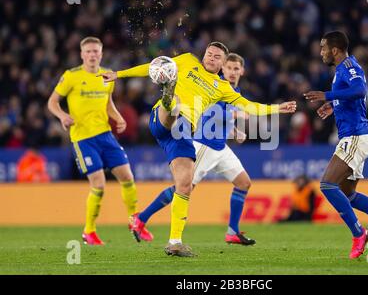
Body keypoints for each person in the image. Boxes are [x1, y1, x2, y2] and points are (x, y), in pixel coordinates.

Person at [99, 42, 297, 257]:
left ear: (222, 63)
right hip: (165, 121)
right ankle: (168, 99)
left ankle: (174, 242)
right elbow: (153, 66)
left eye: (216, 57)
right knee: (175, 108)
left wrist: (277, 108)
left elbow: (249, 106)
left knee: (184, 186)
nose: (211, 58)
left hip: (183, 136)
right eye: (209, 54)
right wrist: (119, 74)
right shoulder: (187, 61)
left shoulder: (223, 89)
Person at [130, 53, 256, 246]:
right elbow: (207, 112)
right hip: (204, 146)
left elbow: (219, 121)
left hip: (221, 148)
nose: (231, 72)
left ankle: (232, 231)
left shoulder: (234, 90)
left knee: (244, 183)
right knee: (183, 188)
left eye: (236, 69)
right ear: (223, 68)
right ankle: (141, 219)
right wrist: (237, 113)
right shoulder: (216, 85)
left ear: (242, 71)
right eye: (229, 68)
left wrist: (234, 129)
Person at [304, 31, 368, 259]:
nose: (320, 52)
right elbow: (351, 96)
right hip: (354, 136)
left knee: (327, 185)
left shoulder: (349, 66)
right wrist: (333, 104)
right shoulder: (340, 70)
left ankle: (359, 233)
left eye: (323, 48)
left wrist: (327, 95)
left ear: (335, 50)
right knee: (348, 194)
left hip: (356, 136)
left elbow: (361, 90)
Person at [47, 36, 152, 246]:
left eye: (96, 51)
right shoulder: (71, 76)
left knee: (127, 177)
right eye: (89, 51)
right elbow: (52, 102)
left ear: (101, 54)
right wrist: (62, 116)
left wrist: (118, 117)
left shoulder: (106, 76)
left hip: (105, 135)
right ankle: (89, 231)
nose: (92, 55)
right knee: (99, 184)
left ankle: (135, 222)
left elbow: (108, 103)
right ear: (82, 54)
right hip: (83, 138)